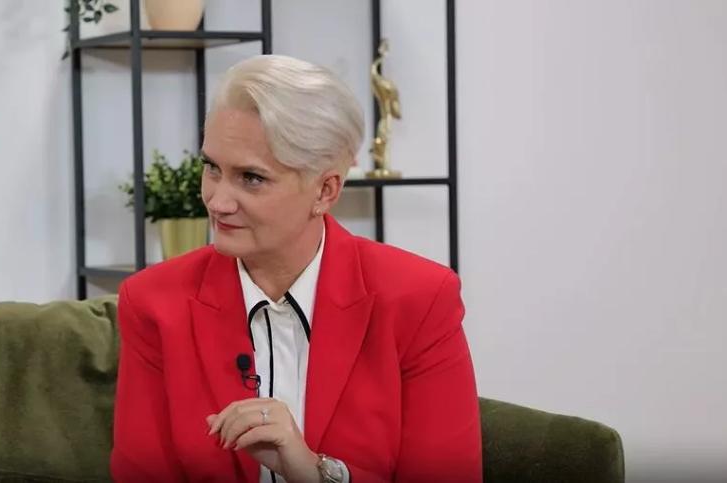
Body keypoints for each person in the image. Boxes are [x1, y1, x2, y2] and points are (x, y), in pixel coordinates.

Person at [111, 54, 481, 483]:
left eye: (251, 178)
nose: (218, 201)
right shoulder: (154, 303)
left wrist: (313, 471)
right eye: (212, 168)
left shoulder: (419, 300)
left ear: (325, 191)